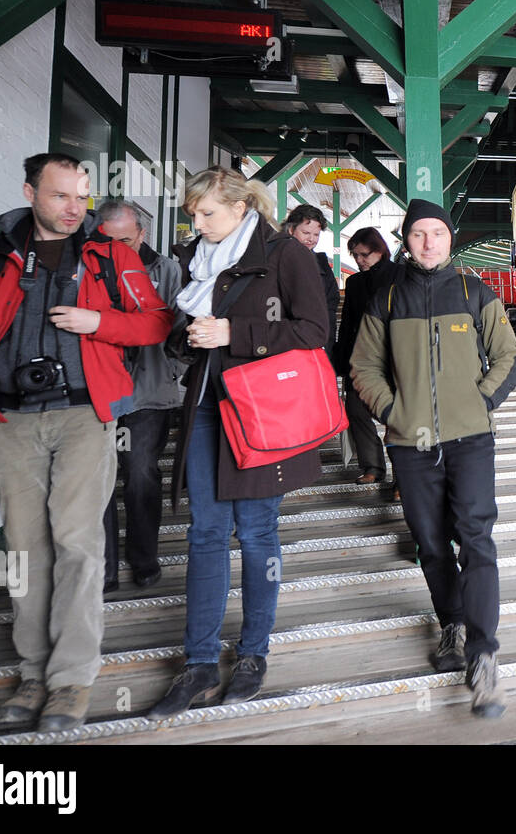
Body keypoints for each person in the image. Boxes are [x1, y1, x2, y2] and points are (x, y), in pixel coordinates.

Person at [0, 153, 173, 732]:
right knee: (25, 549)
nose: (75, 209)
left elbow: (155, 322)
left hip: (83, 416)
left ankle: (70, 679)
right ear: (30, 192)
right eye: (60, 196)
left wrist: (99, 324)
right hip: (11, 420)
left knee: (77, 541)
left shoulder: (110, 256)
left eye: (82, 197)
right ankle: (33, 669)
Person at [148, 168, 329, 719]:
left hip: (261, 413)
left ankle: (253, 654)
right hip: (206, 404)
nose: (196, 224)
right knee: (205, 531)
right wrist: (188, 336)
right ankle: (199, 661)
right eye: (193, 213)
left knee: (255, 531)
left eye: (206, 213)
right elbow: (182, 332)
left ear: (240, 205)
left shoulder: (284, 254)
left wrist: (237, 334)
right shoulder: (196, 259)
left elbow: (316, 331)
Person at [352, 198, 516, 718]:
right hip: (411, 444)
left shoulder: (475, 292)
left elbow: (509, 355)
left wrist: (482, 400)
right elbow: (362, 366)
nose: (429, 242)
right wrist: (393, 411)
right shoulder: (385, 299)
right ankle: (450, 621)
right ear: (407, 240)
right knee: (430, 542)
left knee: (476, 538)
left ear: (451, 239)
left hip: (470, 440)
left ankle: (483, 654)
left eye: (438, 233)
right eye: (419, 234)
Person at [96, 200, 184, 593]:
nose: (117, 249)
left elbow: (181, 329)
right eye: (108, 240)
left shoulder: (166, 270)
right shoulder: (91, 267)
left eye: (126, 240)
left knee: (140, 473)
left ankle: (144, 557)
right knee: (96, 478)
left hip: (149, 392)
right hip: (100, 390)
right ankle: (104, 566)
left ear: (142, 234)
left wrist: (172, 371)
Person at [334, 227, 395, 486]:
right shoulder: (354, 283)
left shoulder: (401, 276)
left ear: (380, 251)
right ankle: (373, 466)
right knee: (356, 410)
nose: (359, 260)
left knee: (399, 419)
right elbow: (347, 325)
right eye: (355, 255)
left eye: (364, 255)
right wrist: (341, 362)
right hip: (361, 359)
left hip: (395, 358)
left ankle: (403, 479)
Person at [283, 203, 340, 356]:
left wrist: (326, 343)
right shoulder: (277, 260)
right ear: (290, 229)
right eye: (306, 233)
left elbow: (330, 304)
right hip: (286, 340)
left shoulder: (322, 264)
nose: (311, 239)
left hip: (317, 341)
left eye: (316, 235)